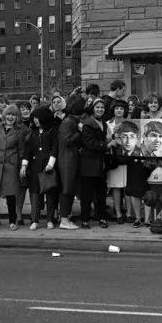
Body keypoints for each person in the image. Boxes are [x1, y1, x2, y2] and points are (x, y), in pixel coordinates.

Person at [79, 98, 117, 228]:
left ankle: (102, 218)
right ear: (93, 108)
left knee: (101, 193)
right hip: (89, 163)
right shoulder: (88, 123)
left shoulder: (104, 124)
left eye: (102, 107)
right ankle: (84, 219)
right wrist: (107, 145)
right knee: (87, 193)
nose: (100, 109)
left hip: (100, 163)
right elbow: (90, 144)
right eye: (97, 107)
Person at [21, 107, 59, 230]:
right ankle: (35, 220)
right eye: (34, 118)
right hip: (35, 166)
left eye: (37, 118)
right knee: (35, 194)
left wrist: (51, 164)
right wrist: (24, 165)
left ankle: (50, 219)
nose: (35, 120)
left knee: (50, 194)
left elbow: (54, 148)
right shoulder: (33, 132)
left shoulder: (52, 131)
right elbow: (28, 150)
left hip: (48, 166)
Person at [57, 97, 85, 230]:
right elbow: (66, 141)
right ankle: (64, 219)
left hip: (71, 159)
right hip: (67, 160)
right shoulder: (68, 122)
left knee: (70, 189)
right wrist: (79, 132)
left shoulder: (70, 120)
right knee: (67, 189)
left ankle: (66, 217)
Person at [106, 99, 129, 223]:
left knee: (127, 186)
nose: (119, 110)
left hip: (128, 157)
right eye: (117, 108)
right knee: (116, 186)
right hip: (114, 158)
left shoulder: (130, 123)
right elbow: (106, 140)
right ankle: (118, 213)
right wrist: (113, 136)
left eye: (121, 108)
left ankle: (128, 211)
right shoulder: (108, 124)